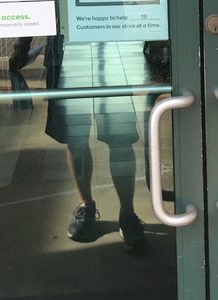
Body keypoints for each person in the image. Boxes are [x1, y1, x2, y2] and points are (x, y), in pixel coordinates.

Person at [44, 35, 147, 255]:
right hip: (66, 49)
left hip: (110, 46)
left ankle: (127, 214)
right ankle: (86, 206)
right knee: (75, 137)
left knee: (120, 137)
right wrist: (22, 45)